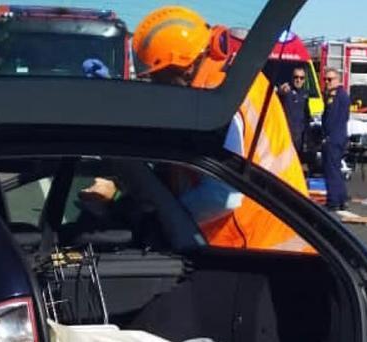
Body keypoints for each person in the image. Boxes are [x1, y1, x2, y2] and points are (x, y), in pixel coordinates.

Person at [120, 5, 311, 252]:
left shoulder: (217, 102)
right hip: (256, 247)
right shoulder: (224, 85)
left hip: (260, 252)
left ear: (183, 67)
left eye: (159, 78)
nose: (157, 86)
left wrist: (162, 217)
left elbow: (222, 196)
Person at [322, 68, 351, 211]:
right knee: (336, 169)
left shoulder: (336, 96)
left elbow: (331, 120)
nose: (326, 82)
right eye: (325, 79)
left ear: (338, 80)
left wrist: (326, 137)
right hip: (339, 137)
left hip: (333, 137)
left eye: (330, 79)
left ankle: (333, 200)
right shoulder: (340, 95)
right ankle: (341, 198)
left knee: (331, 169)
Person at [278, 66, 312, 159]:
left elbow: (307, 117)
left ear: (304, 80)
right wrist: (280, 92)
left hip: (299, 138)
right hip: (286, 135)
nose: (298, 80)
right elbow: (277, 97)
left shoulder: (305, 95)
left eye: (301, 78)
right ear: (292, 78)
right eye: (296, 77)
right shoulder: (286, 91)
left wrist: (306, 139)